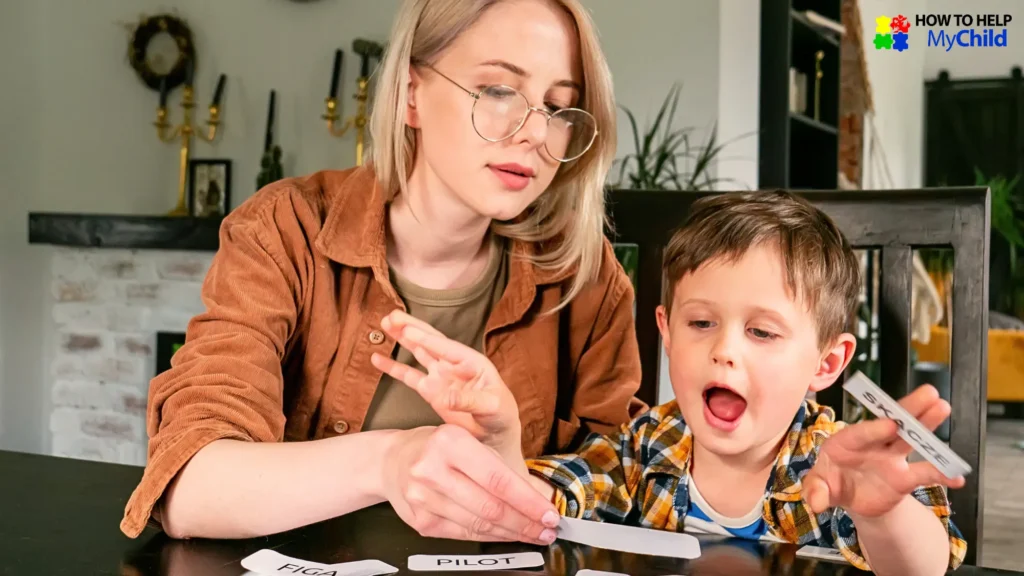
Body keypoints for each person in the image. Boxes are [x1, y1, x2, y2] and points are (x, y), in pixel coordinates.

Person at [120, 0, 645, 543]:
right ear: (412, 93)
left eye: (559, 107)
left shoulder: (586, 277)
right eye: (497, 91)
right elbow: (190, 490)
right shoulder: (283, 230)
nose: (537, 132)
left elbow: (629, 488)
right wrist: (390, 462)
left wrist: (512, 461)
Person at [375, 191, 967, 575]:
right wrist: (501, 436)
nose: (724, 350)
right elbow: (544, 511)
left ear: (826, 363)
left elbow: (924, 568)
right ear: (666, 331)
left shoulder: (834, 465)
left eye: (762, 333)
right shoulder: (644, 447)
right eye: (701, 323)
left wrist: (882, 513)